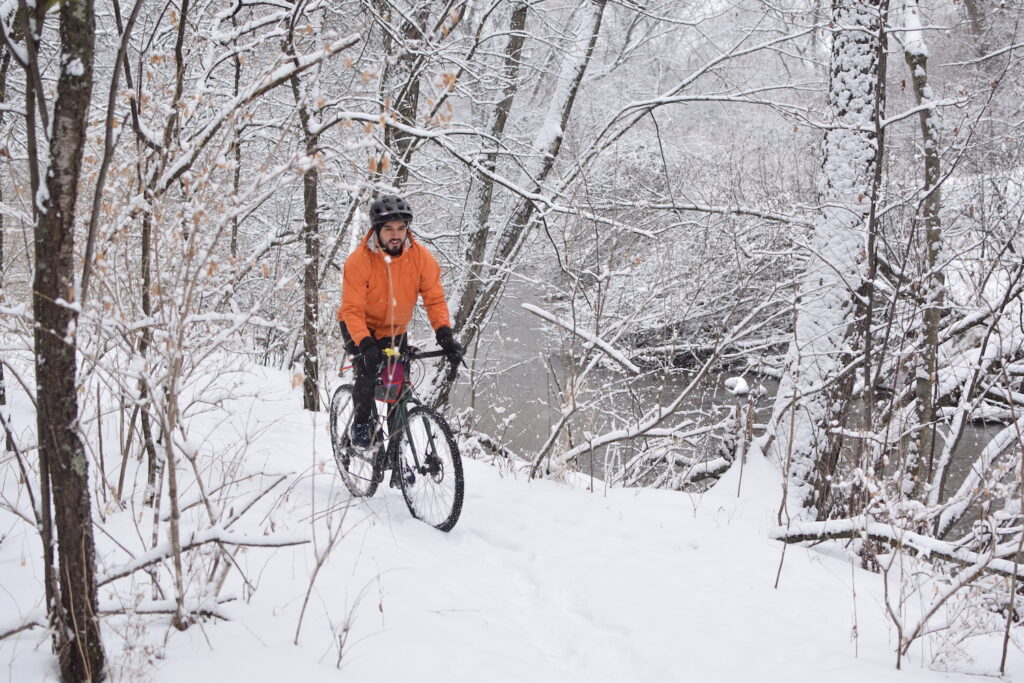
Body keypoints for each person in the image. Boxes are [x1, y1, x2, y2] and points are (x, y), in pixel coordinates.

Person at [337, 194, 463, 448]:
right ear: (377, 230)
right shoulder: (359, 261)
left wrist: (444, 334)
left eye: (401, 228)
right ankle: (361, 423)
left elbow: (435, 299)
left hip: (394, 329)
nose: (396, 235)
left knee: (398, 383)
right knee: (367, 370)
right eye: (389, 229)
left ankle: (396, 451)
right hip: (359, 326)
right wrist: (365, 344)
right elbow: (351, 309)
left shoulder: (421, 258)